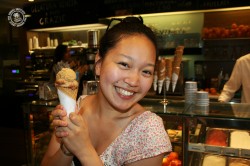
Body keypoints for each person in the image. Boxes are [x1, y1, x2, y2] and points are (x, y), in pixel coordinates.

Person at [41, 16, 172, 166]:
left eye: (146, 71)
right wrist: (67, 148)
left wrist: (84, 150)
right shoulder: (77, 107)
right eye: (124, 64)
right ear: (99, 64)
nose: (134, 81)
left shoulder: (148, 131)